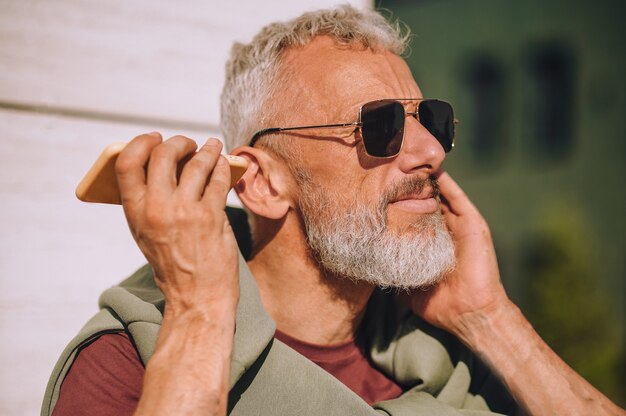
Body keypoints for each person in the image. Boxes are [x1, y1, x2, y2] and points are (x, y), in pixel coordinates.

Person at [42, 5, 624, 416]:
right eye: (381, 125)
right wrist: (199, 309)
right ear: (266, 183)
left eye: (432, 121)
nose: (428, 152)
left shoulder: (457, 361)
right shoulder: (131, 364)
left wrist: (488, 317)